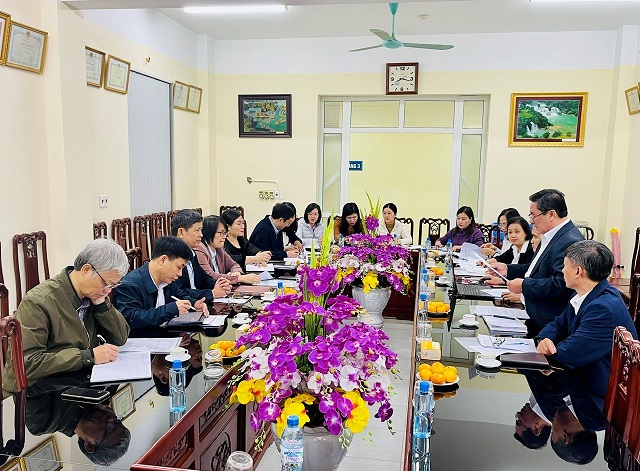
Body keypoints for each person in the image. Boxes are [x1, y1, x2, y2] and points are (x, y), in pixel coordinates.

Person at [3, 239, 130, 392]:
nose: (108, 290)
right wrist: (88, 356)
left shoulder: (94, 295)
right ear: (86, 270)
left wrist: (101, 306)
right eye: (106, 284)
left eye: (113, 286)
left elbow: (120, 338)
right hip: (37, 392)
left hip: (76, 381)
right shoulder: (39, 301)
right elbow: (26, 363)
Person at [536, 240, 637, 410]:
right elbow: (558, 323)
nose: (562, 270)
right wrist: (545, 339)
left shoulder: (603, 308)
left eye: (564, 265)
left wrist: (548, 350)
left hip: (600, 401)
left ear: (578, 271)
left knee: (544, 393)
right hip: (584, 381)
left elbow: (570, 354)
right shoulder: (587, 294)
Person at [489, 189, 584, 334]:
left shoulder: (570, 240)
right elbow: (537, 268)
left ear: (551, 214)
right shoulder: (550, 236)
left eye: (534, 215)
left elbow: (561, 284)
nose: (531, 221)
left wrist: (524, 285)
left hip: (551, 322)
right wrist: (508, 269)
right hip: (535, 316)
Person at [112, 236, 209, 337]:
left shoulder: (168, 280)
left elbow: (179, 295)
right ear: (163, 260)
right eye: (179, 267)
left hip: (166, 337)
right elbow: (129, 318)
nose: (180, 274)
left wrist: (194, 304)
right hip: (143, 342)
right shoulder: (130, 284)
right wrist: (170, 309)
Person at [171, 209, 232, 302]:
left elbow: (203, 278)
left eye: (201, 230)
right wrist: (212, 293)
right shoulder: (172, 257)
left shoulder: (192, 252)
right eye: (197, 230)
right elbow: (178, 292)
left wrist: (220, 284)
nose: (201, 235)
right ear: (181, 232)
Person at [195, 215, 260, 284]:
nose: (224, 237)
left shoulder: (219, 248)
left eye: (225, 233)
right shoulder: (200, 249)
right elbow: (209, 275)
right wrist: (238, 278)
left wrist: (236, 272)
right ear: (209, 232)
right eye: (221, 233)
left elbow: (233, 264)